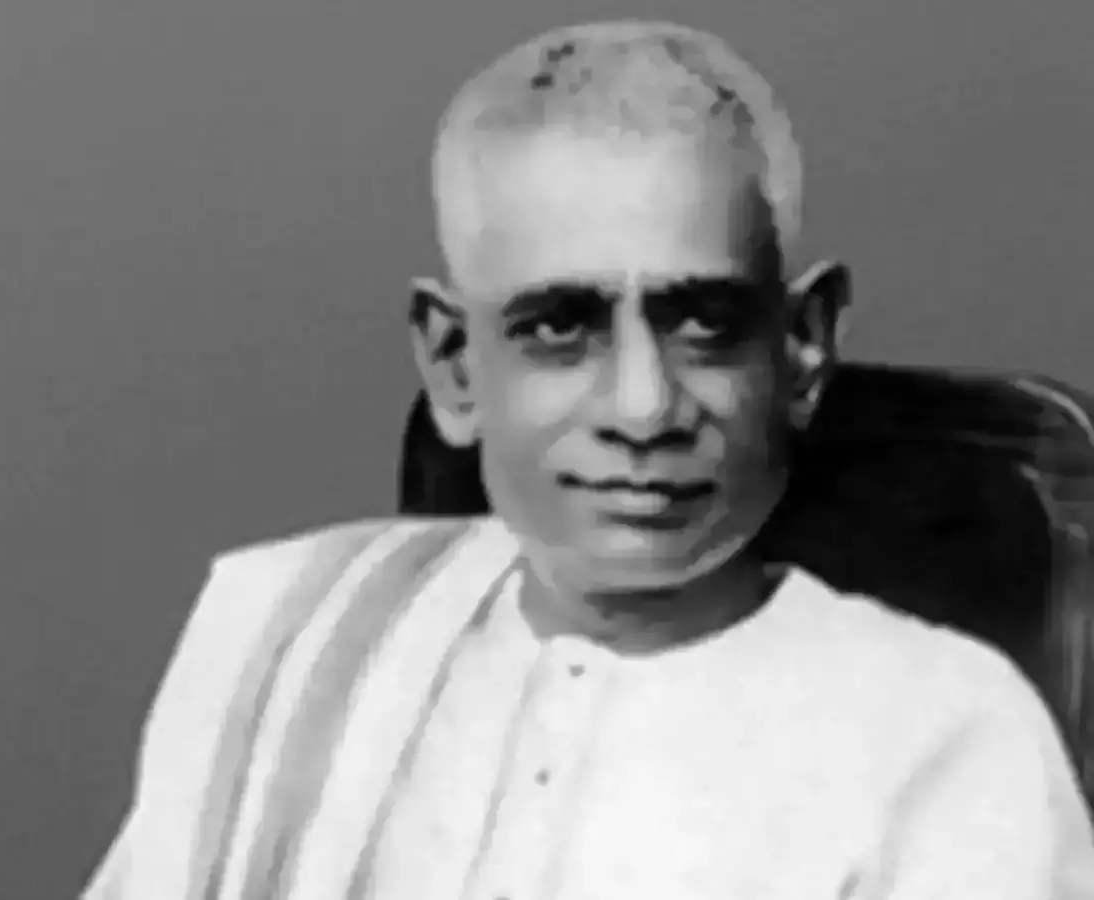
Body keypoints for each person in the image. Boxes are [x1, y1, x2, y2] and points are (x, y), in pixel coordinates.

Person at [83, 19, 1094, 900]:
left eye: (705, 322)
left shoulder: (943, 736)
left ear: (800, 347)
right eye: (561, 327)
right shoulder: (296, 635)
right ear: (455, 364)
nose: (643, 409)